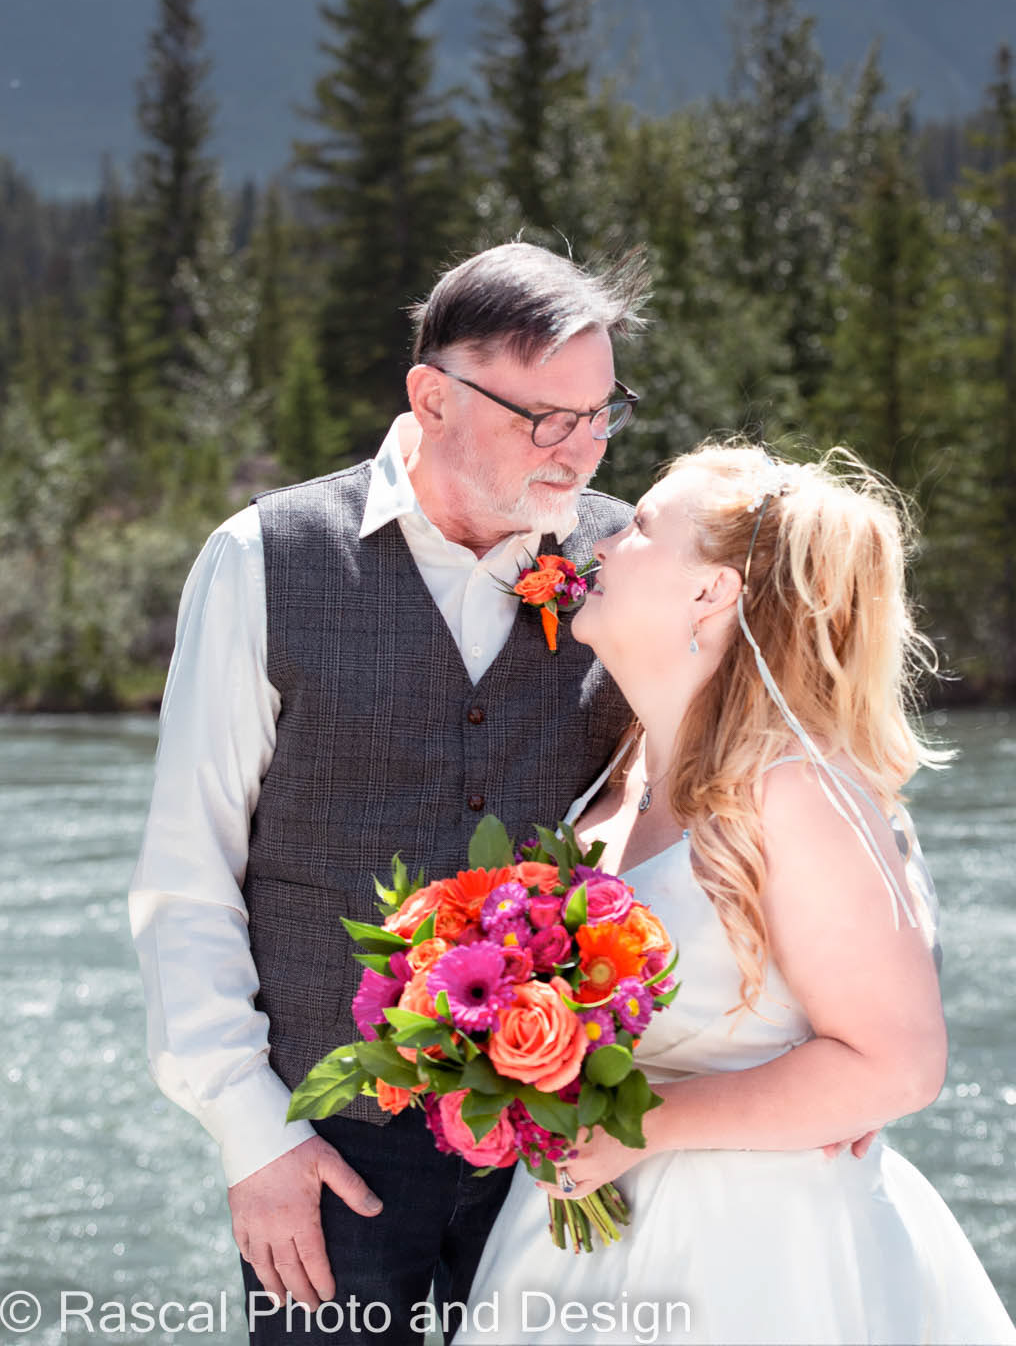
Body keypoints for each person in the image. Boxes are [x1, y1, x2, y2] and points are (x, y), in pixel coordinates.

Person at [128, 241, 653, 1343]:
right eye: (547, 417)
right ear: (433, 395)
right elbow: (188, 873)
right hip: (329, 1145)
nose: (584, 448)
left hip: (557, 1135)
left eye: (602, 411)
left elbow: (708, 790)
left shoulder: (625, 558)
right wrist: (251, 1133)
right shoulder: (264, 557)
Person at [455, 442, 1016, 1346]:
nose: (599, 546)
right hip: (579, 1248)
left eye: (640, 529)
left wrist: (635, 1131)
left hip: (755, 1262)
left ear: (710, 593)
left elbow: (898, 1064)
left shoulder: (792, 789)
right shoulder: (621, 766)